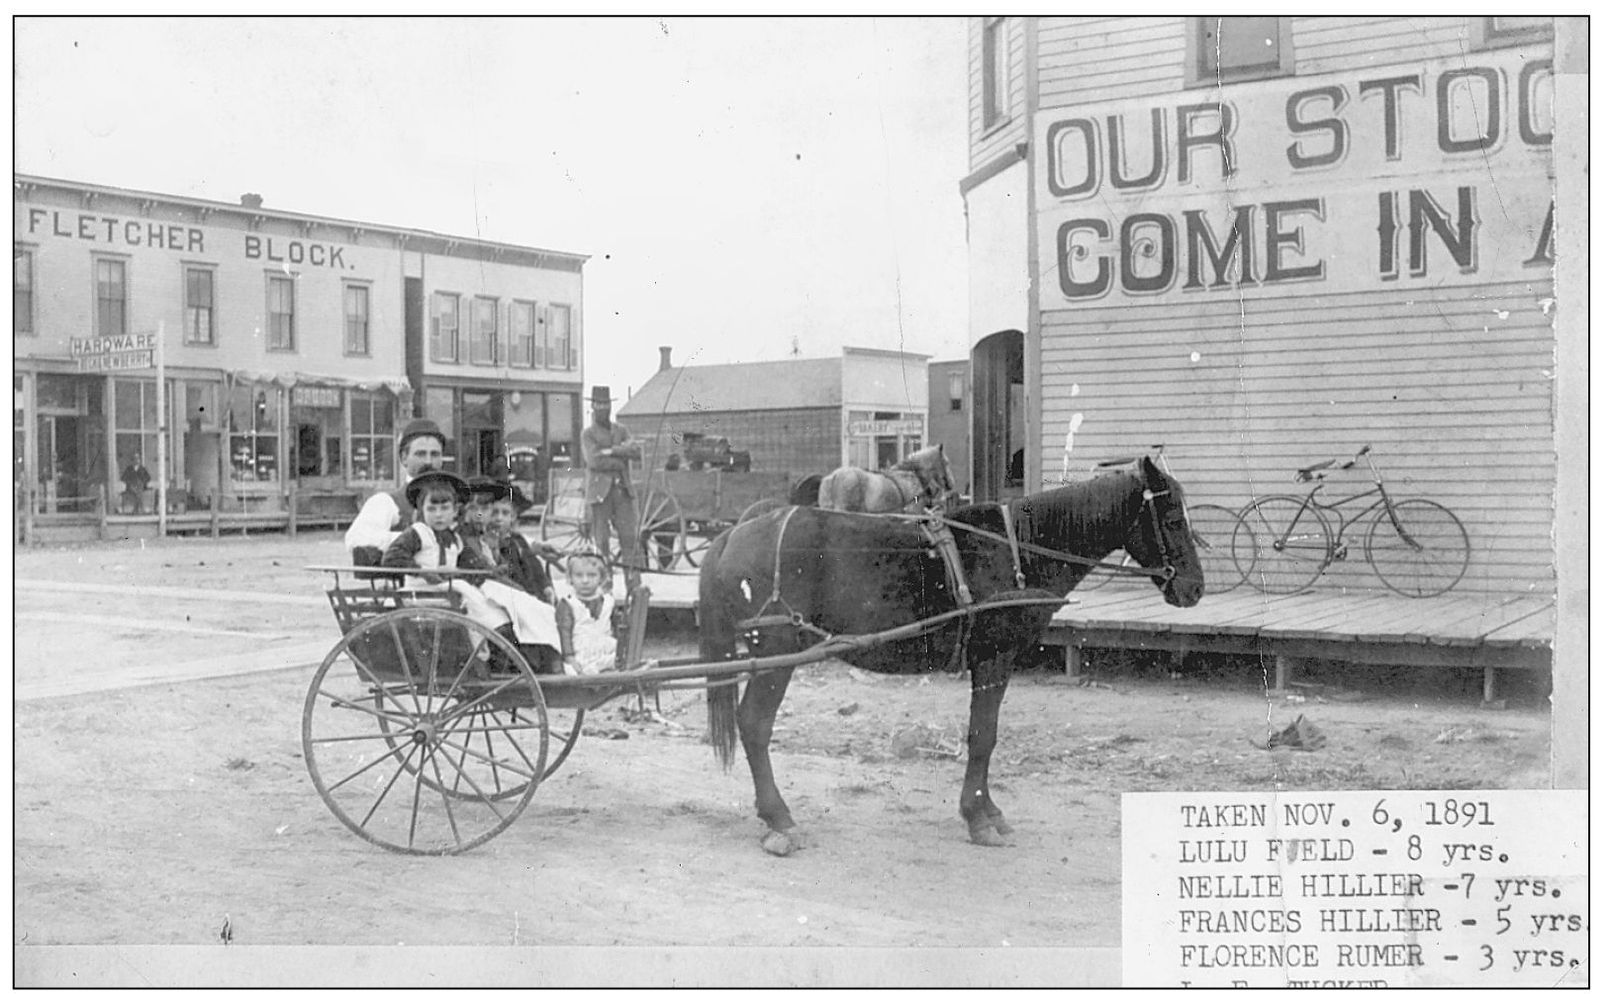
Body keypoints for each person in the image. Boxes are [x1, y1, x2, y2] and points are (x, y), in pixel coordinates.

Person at [380, 470, 561, 670]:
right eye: (431, 509)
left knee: (485, 593)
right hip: (421, 593)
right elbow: (392, 557)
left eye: (444, 509)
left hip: (447, 593)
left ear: (454, 510)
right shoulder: (417, 533)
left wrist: (494, 572)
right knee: (470, 592)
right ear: (422, 510)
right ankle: (491, 642)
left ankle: (506, 637)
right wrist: (422, 571)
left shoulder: (454, 540)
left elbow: (475, 565)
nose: (438, 515)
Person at [344, 419, 446, 566]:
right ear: (404, 458)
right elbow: (357, 538)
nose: (428, 461)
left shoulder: (454, 500)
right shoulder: (386, 502)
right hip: (404, 583)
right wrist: (414, 539)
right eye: (421, 454)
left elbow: (479, 516)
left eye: (435, 454)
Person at [581, 386, 644, 590]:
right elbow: (594, 461)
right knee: (602, 542)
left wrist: (611, 451)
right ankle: (604, 587)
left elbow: (635, 451)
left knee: (630, 539)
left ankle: (633, 585)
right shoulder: (588, 434)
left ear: (610, 406)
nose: (602, 408)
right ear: (592, 407)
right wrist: (619, 459)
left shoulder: (621, 430)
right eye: (598, 404)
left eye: (605, 404)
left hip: (623, 491)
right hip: (600, 494)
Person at [470, 477, 553, 602]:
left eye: (505, 513)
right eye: (494, 513)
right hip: (511, 594)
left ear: (513, 517)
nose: (499, 518)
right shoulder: (490, 542)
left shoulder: (518, 539)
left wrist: (546, 586)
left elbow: (535, 565)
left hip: (529, 591)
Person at [554, 552, 624, 675]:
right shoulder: (569, 604)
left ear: (601, 578)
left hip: (605, 648)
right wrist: (569, 657)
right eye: (579, 575)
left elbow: (616, 627)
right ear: (570, 578)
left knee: (620, 659)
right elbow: (564, 633)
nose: (585, 581)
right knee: (576, 670)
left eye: (592, 575)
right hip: (581, 652)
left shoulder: (608, 601)